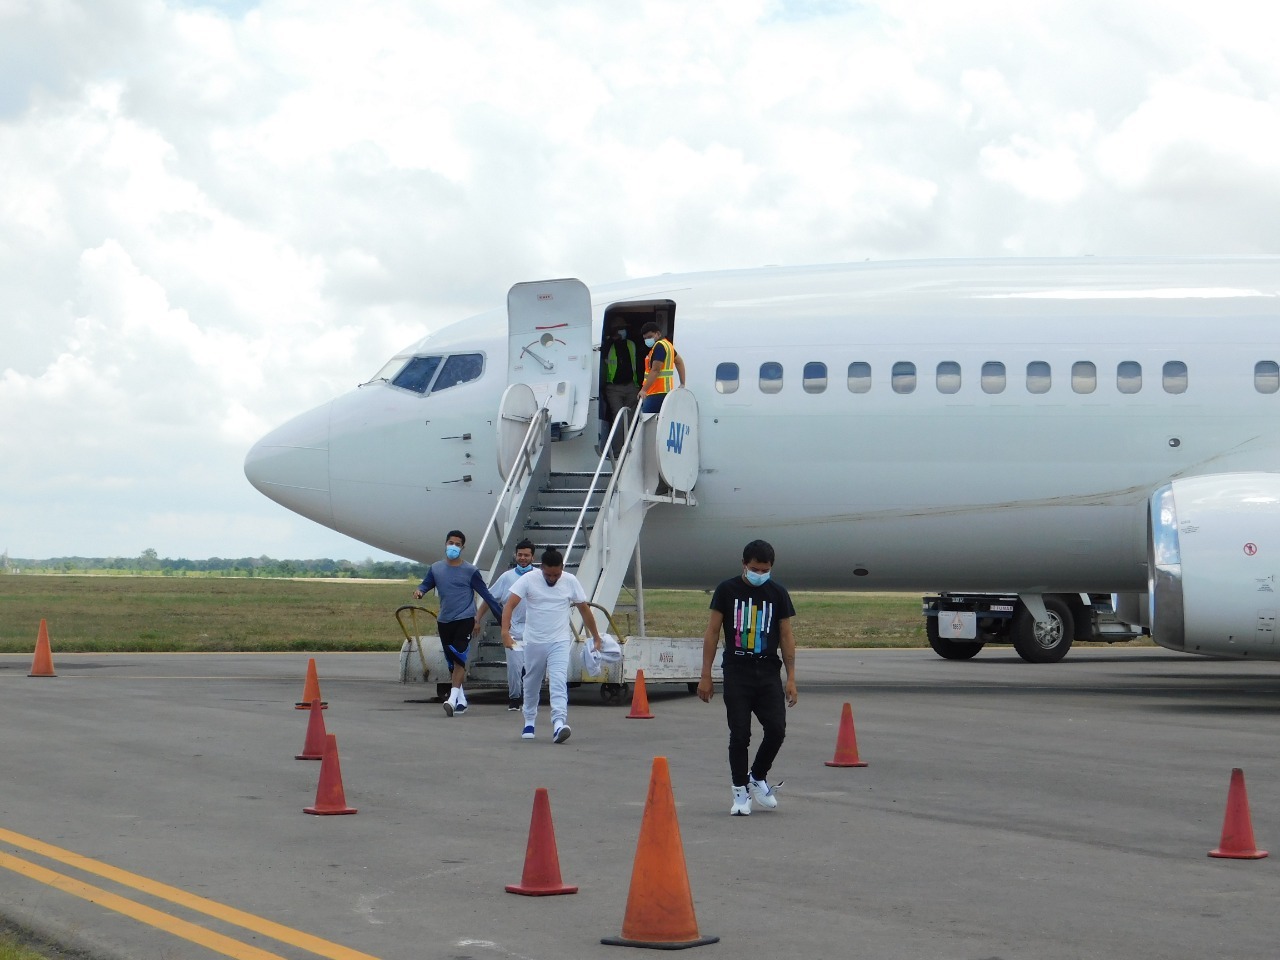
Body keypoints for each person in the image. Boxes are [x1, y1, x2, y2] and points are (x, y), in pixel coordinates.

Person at [697, 539, 798, 816]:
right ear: (744, 565)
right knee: (740, 734)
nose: (760, 574)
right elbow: (712, 632)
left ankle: (758, 776)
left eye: (765, 570)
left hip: (767, 671)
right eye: (755, 568)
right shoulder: (727, 590)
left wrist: (791, 678)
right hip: (737, 670)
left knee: (777, 729)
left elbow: (787, 636)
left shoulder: (778, 593)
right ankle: (740, 790)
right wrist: (706, 675)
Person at [501, 547, 604, 744]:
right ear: (541, 569)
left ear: (562, 569)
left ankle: (559, 724)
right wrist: (505, 633)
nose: (551, 578)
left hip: (559, 640)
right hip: (534, 641)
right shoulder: (529, 579)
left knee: (558, 679)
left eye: (556, 574)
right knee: (532, 680)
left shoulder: (570, 581)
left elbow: (584, 610)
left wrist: (596, 637)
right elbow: (509, 606)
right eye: (548, 574)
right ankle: (529, 720)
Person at [412, 530, 503, 717]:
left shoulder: (471, 571)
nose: (453, 547)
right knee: (452, 662)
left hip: (465, 619)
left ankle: (452, 700)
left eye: (457, 544)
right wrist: (420, 591)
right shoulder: (436, 568)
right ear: (445, 544)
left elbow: (486, 595)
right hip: (444, 620)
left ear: (463, 547)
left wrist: (501, 618)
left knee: (460, 657)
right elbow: (426, 584)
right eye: (450, 543)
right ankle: (461, 699)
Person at [474, 538, 537, 711]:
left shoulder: (539, 576)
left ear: (533, 557)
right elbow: (489, 599)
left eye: (526, 555)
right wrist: (477, 618)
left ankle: (530, 697)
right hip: (513, 629)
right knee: (515, 667)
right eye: (520, 555)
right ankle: (515, 698)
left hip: (535, 630)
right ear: (515, 556)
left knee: (531, 666)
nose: (523, 558)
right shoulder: (507, 577)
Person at [602, 321, 641, 451]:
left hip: (631, 386)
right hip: (614, 388)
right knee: (618, 417)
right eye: (619, 329)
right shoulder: (608, 345)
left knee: (631, 418)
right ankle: (618, 449)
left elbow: (638, 362)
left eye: (623, 329)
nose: (622, 331)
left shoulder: (631, 344)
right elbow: (602, 355)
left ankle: (631, 448)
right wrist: (612, 340)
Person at [637, 321, 686, 417]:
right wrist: (682, 383)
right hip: (665, 392)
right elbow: (679, 362)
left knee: (647, 422)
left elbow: (655, 370)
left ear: (658, 334)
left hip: (655, 392)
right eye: (645, 338)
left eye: (650, 336)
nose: (647, 340)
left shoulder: (659, 346)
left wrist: (643, 390)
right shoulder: (668, 345)